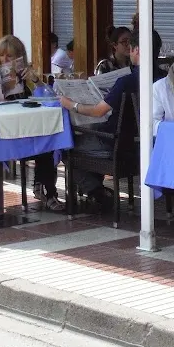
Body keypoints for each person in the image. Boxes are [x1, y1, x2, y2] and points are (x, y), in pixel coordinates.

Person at [59, 28, 162, 212]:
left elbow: (99, 111)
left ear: (136, 50)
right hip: (150, 146)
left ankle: (96, 191)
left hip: (115, 144)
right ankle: (97, 192)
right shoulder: (164, 78)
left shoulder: (127, 81)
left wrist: (71, 105)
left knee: (65, 146)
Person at [0, 35, 64, 211]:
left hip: (27, 130)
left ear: (19, 58)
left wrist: (36, 81)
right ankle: (44, 189)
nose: (5, 60)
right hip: (3, 134)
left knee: (47, 142)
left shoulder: (26, 77)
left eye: (10, 56)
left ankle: (47, 191)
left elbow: (50, 98)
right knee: (42, 144)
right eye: (2, 56)